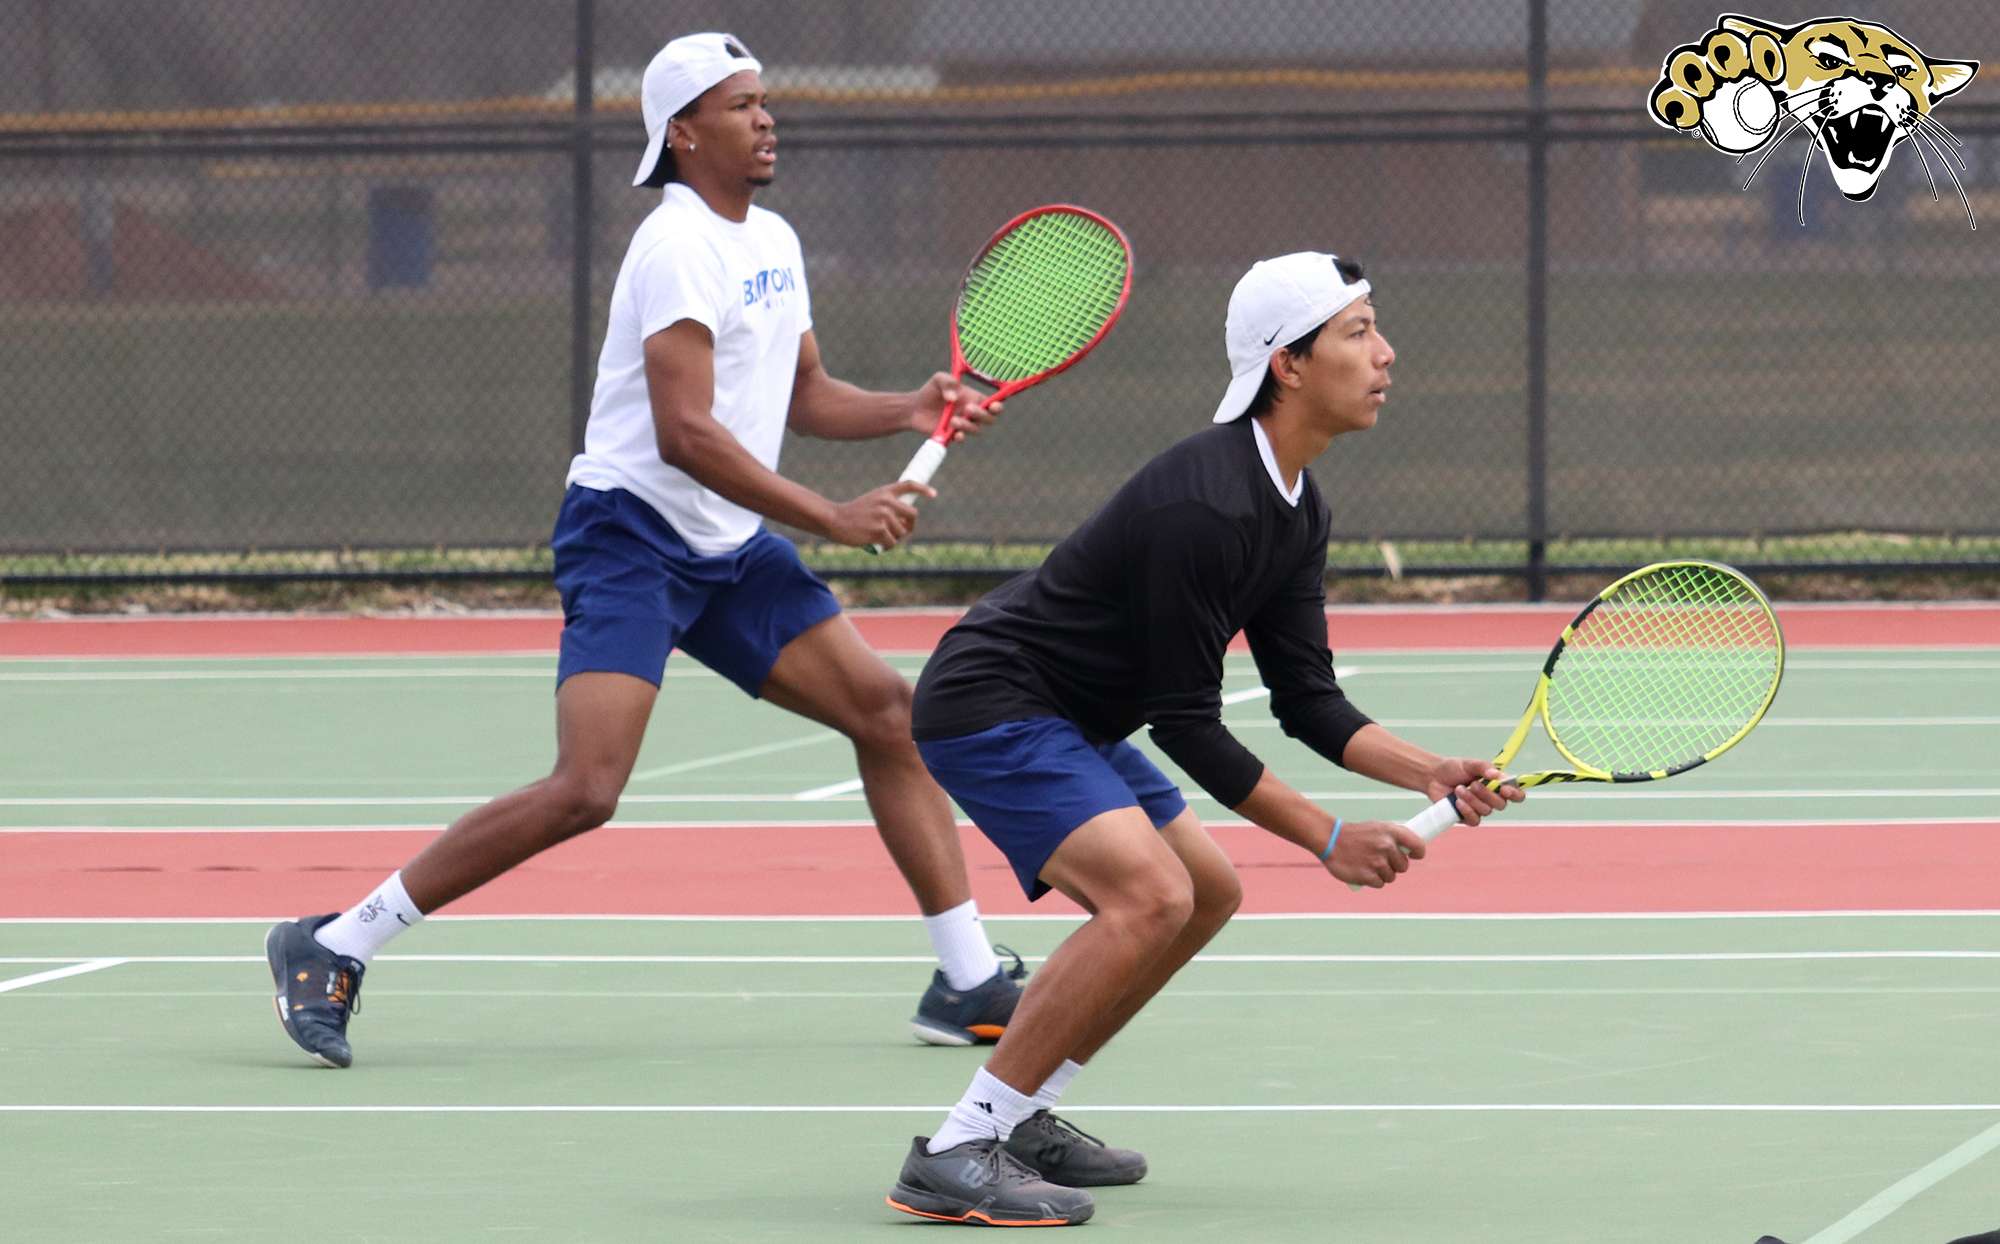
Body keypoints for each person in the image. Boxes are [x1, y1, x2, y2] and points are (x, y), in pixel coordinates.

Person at [265, 31, 1026, 1069]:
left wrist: (905, 405)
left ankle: (967, 978)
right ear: (683, 132)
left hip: (727, 544)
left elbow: (801, 394)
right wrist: (830, 515)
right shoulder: (673, 246)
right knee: (586, 787)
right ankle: (333, 941)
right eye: (740, 104)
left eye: (764, 101)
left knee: (887, 715)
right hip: (628, 533)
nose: (765, 119)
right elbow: (688, 433)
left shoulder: (772, 240)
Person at [883, 251, 1527, 1225]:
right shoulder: (1203, 499)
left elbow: (1306, 697)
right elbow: (1187, 720)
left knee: (1206, 891)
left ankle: (1024, 1114)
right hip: (992, 699)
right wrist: (1324, 835)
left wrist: (1428, 769)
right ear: (1289, 364)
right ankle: (959, 1145)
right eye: (1357, 332)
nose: (1385, 353)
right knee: (1148, 892)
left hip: (1074, 714)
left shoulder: (1296, 505)